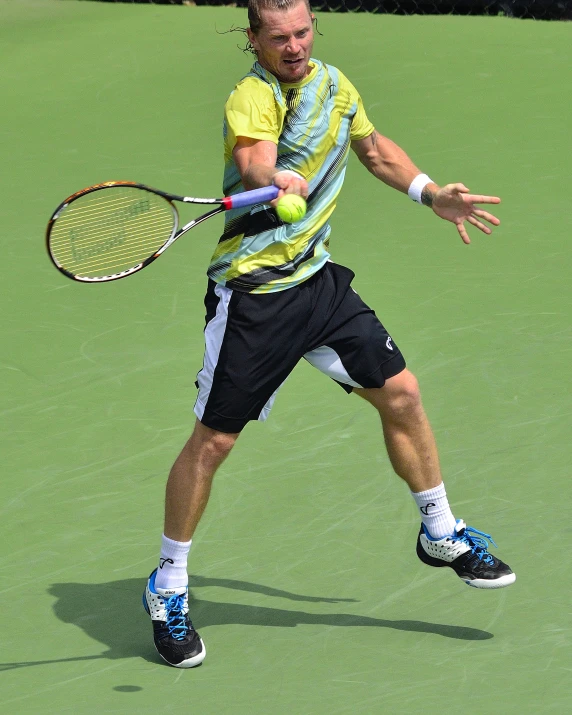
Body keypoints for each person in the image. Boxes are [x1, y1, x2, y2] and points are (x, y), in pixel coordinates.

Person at [142, 0, 515, 669]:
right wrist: (276, 177)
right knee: (214, 441)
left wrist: (431, 193)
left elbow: (373, 151)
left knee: (401, 393)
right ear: (252, 39)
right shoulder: (251, 97)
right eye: (278, 36)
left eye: (303, 31)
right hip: (255, 297)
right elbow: (256, 158)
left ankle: (441, 531)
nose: (294, 46)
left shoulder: (335, 85)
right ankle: (167, 583)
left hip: (318, 287)